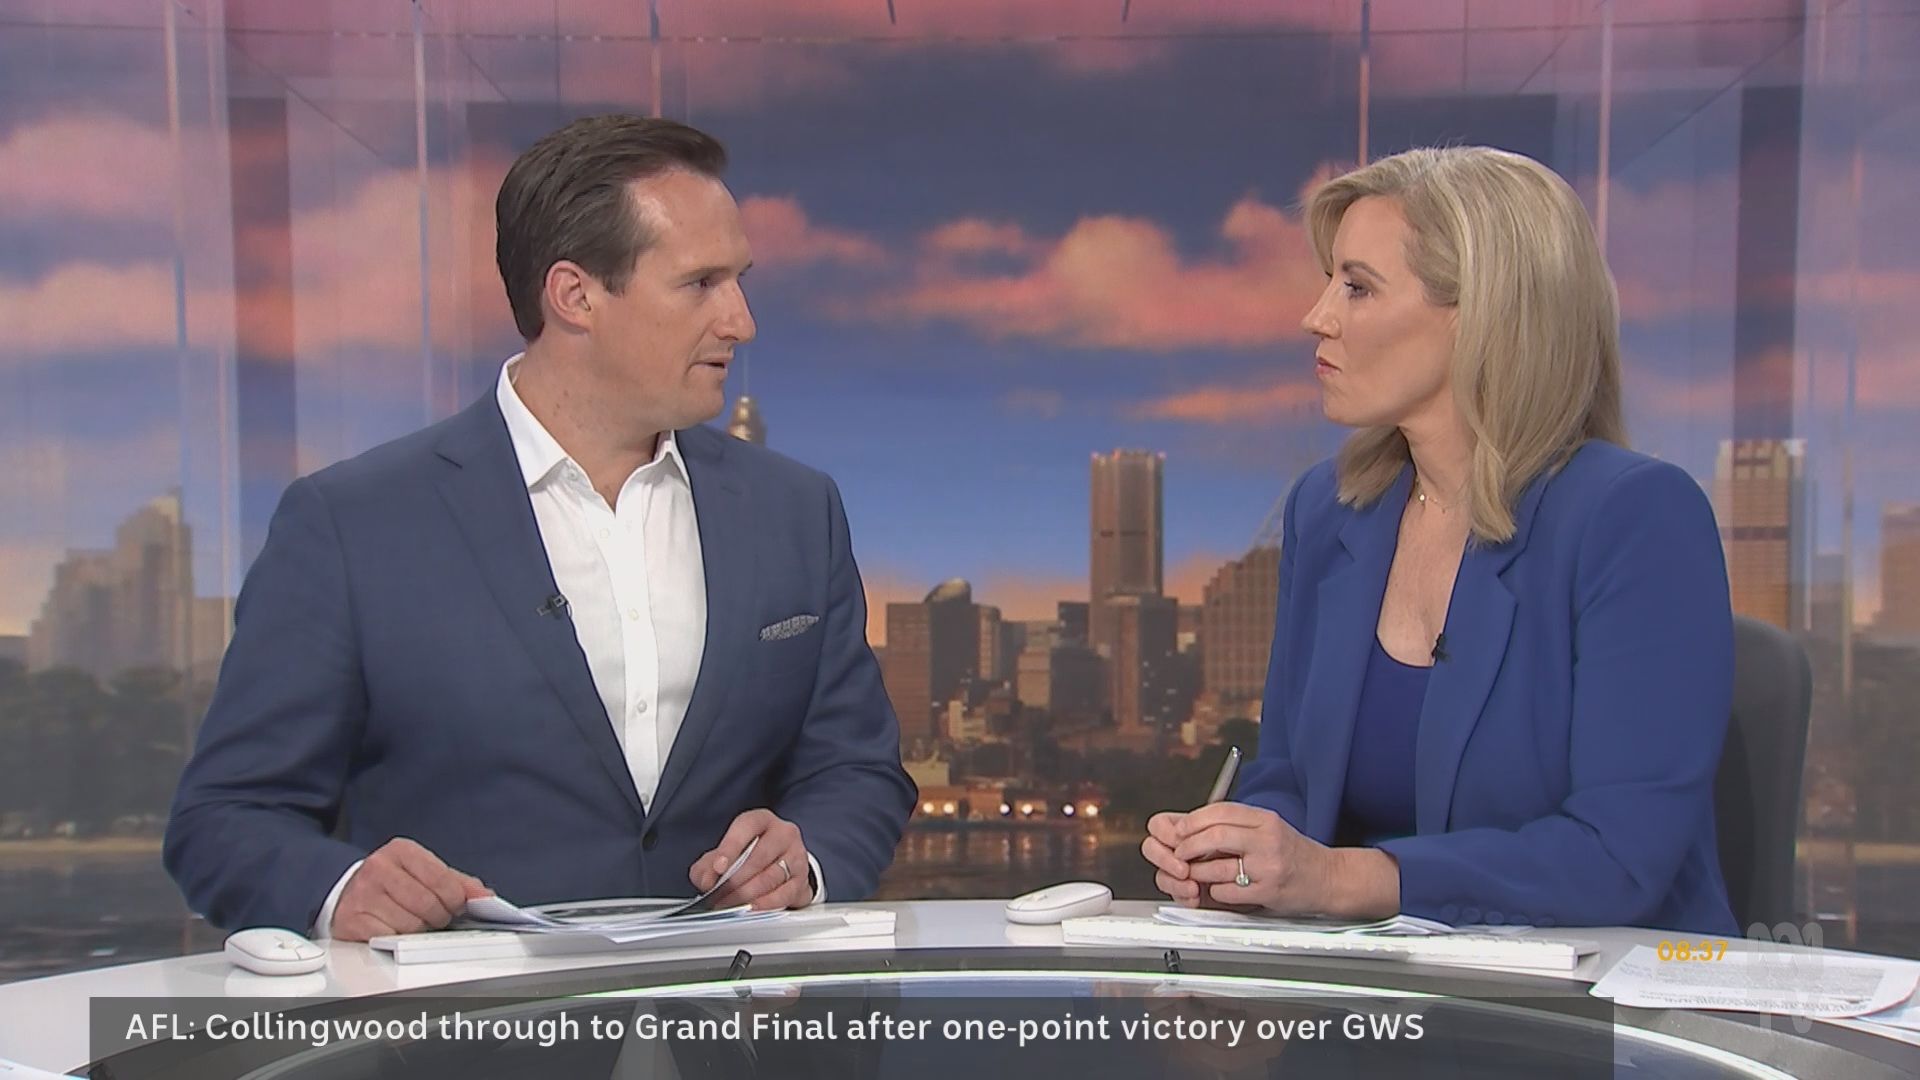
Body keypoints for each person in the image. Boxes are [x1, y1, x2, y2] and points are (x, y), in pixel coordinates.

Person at [165, 114, 916, 941]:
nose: (741, 320)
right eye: (701, 283)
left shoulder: (795, 512)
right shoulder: (352, 525)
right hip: (465, 1012)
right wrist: (340, 891)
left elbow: (857, 771)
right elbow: (224, 818)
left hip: (734, 1009)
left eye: (738, 280)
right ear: (575, 296)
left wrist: (806, 863)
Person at [1142, 146, 1737, 934]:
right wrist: (1239, 852)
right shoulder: (1330, 509)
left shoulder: (1633, 518)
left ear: (1481, 315)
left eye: (1357, 287)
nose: (1317, 316)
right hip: (1376, 989)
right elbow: (1291, 776)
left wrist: (1343, 879)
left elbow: (1616, 858)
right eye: (1329, 281)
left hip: (1601, 994)